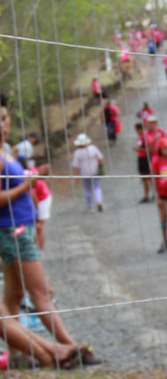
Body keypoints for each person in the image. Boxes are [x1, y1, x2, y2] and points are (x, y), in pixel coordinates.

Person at [0, 106, 100, 363]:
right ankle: (71, 348)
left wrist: (30, 185)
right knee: (41, 291)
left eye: (4, 118)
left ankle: (19, 354)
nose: (2, 125)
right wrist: (27, 185)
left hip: (22, 225)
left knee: (14, 296)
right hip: (13, 229)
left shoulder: (8, 151)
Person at [71, 133, 105, 213]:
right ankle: (99, 201)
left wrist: (77, 176)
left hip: (84, 173)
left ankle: (90, 206)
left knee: (87, 189)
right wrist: (101, 165)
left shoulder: (77, 152)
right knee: (97, 187)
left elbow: (75, 165)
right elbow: (100, 158)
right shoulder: (93, 148)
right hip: (95, 170)